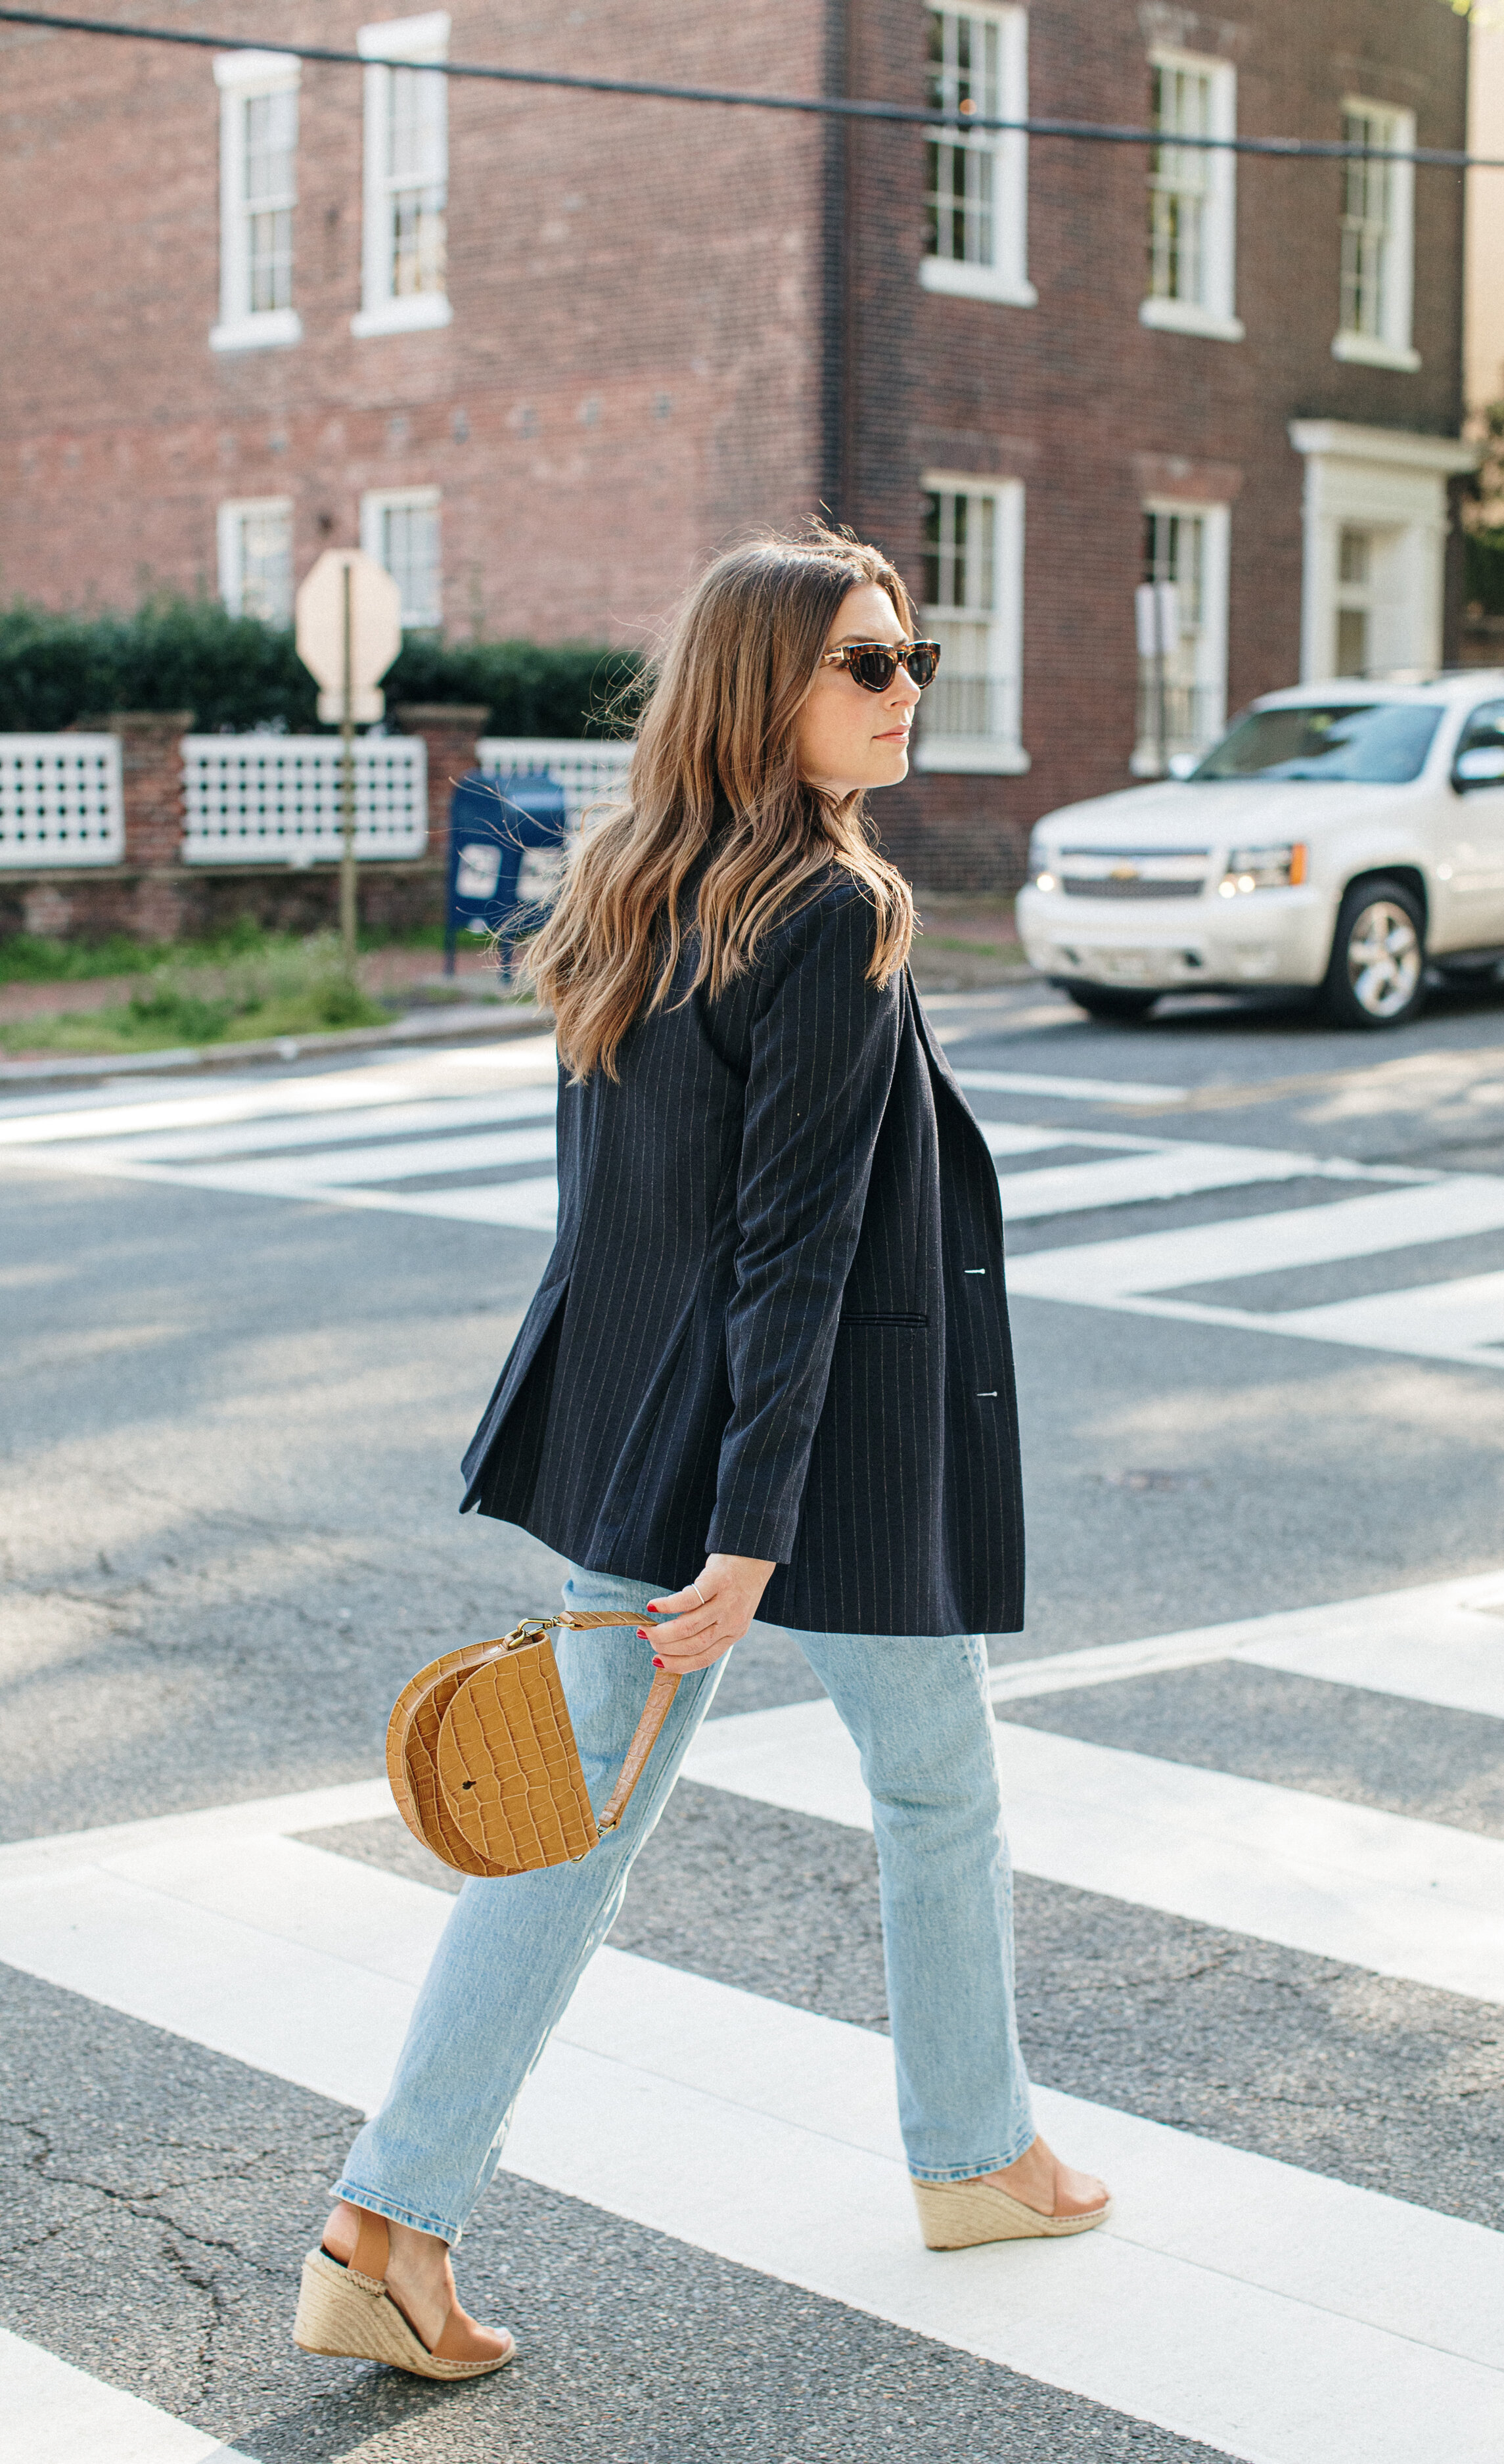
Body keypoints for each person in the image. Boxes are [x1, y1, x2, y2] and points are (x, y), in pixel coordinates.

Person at [292, 526, 1111, 2383]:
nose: (907, 689)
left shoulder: (625, 889)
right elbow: (789, 1246)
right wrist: (746, 1533)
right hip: (795, 1468)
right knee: (928, 1797)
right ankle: (972, 2155)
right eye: (869, 665)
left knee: (583, 1838)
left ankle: (390, 2218)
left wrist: (659, 1490)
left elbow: (625, 1229)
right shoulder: (828, 912)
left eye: (907, 656)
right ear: (768, 692)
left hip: (649, 1445)